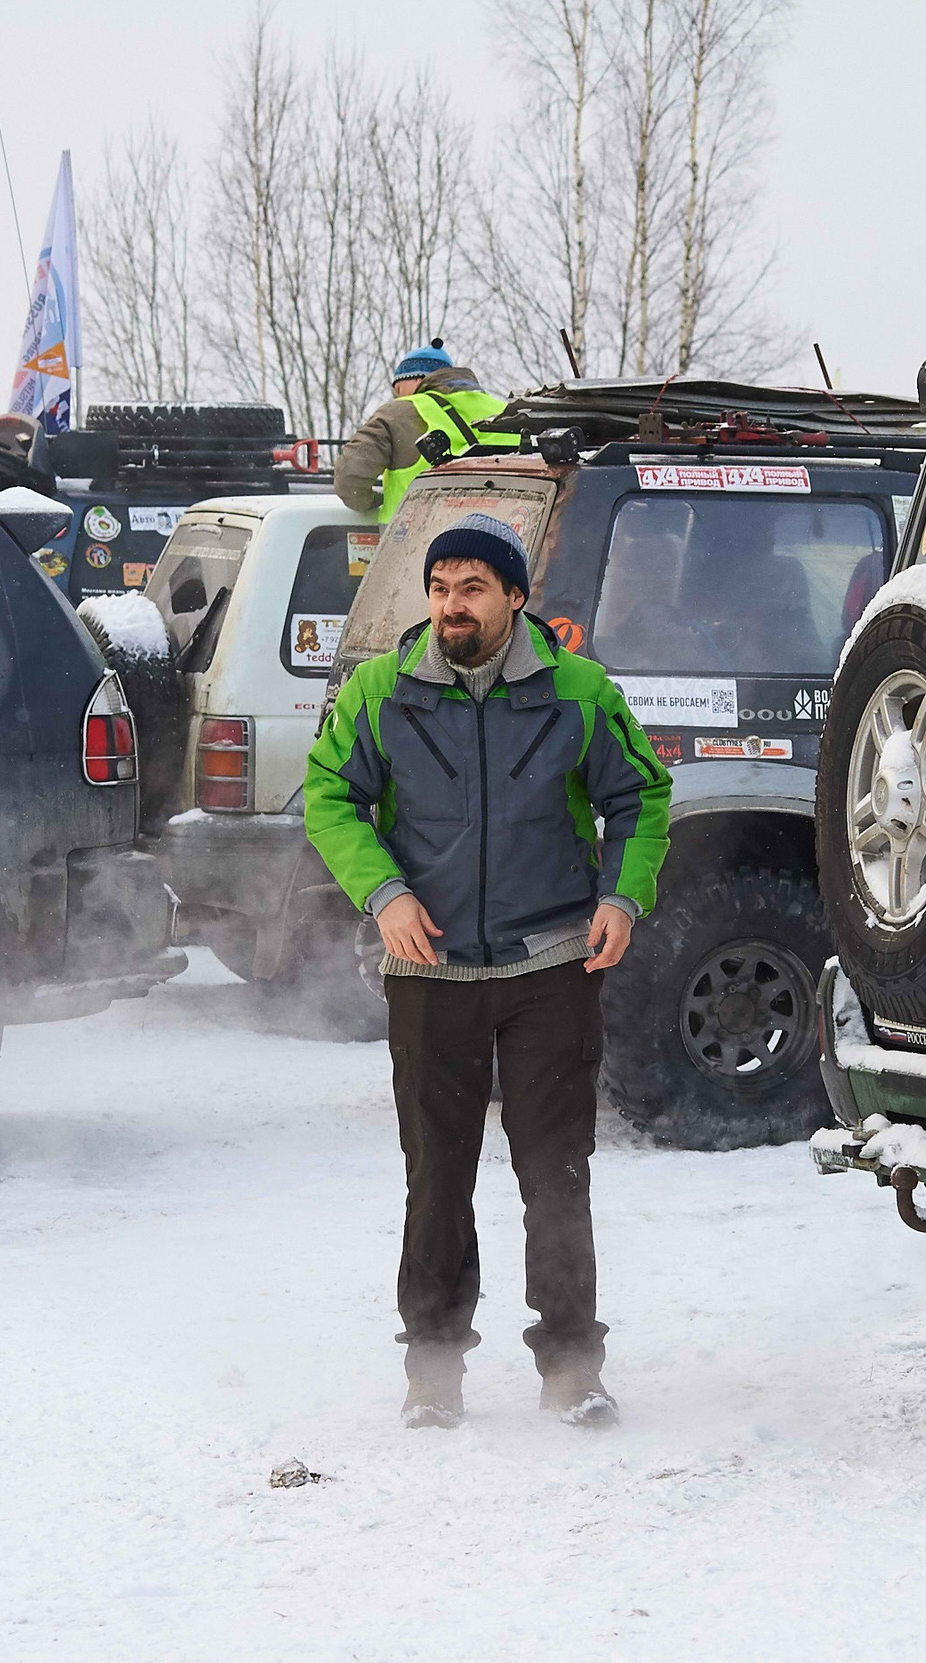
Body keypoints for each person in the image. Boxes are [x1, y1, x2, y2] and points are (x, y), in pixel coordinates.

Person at [304, 512, 671, 1429]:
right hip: (429, 972)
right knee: (437, 1176)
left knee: (556, 1173)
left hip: (550, 964)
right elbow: (329, 796)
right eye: (438, 588)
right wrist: (383, 891)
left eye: (471, 588)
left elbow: (640, 796)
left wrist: (622, 899)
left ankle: (573, 1367)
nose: (450, 606)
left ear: (514, 596)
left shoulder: (578, 691)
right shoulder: (382, 691)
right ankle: (433, 1370)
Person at [332, 343, 521, 518]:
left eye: (399, 388)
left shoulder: (398, 413)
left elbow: (350, 479)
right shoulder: (508, 411)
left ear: (417, 379)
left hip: (415, 539)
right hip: (503, 536)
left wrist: (374, 501)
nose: (398, 396)